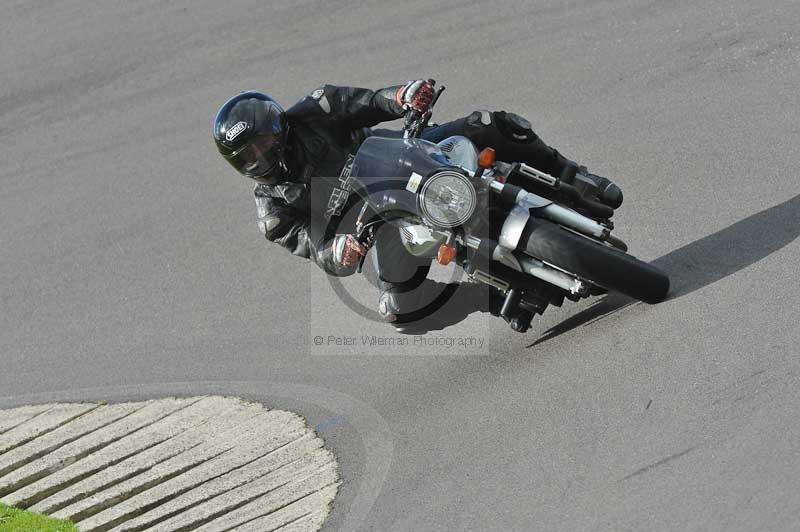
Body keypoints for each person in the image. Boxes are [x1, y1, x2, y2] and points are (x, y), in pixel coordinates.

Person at [212, 80, 622, 333]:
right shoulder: (273, 212)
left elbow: (370, 102)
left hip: (404, 157)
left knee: (489, 124)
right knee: (400, 310)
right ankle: (484, 296)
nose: (260, 159)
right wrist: (337, 251)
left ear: (278, 128)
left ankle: (574, 177)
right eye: (247, 157)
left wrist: (405, 95)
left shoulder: (316, 109)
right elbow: (312, 245)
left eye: (263, 144)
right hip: (381, 223)